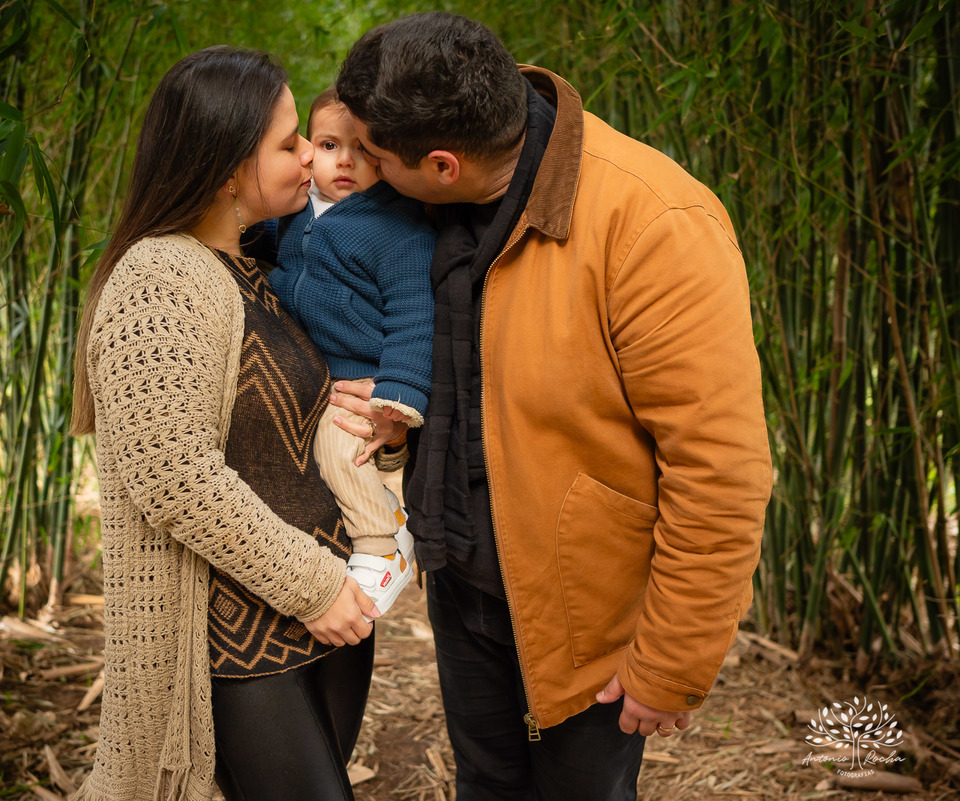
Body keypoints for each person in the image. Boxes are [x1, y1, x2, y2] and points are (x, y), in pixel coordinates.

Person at [329, 12, 773, 800]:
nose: (357, 167)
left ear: (441, 164)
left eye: (372, 154)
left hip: (587, 614)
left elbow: (720, 468)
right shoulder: (426, 208)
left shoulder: (653, 222)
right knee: (486, 783)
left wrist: (671, 660)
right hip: (463, 575)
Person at [68, 46, 399, 801]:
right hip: (238, 639)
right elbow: (172, 476)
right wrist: (315, 586)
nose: (311, 156)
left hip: (323, 620)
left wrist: (385, 422)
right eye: (288, 144)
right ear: (225, 170)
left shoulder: (257, 269)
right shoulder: (160, 276)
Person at [267, 86, 435, 619]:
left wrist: (397, 395)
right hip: (312, 377)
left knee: (341, 449)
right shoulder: (293, 214)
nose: (344, 160)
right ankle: (386, 518)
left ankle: (383, 546)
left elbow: (414, 314)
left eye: (361, 148)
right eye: (328, 145)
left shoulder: (396, 226)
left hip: (363, 381)